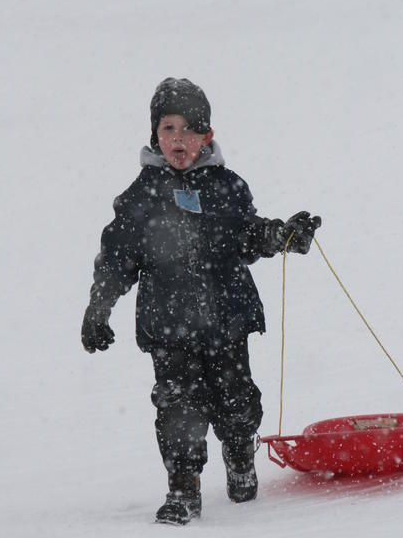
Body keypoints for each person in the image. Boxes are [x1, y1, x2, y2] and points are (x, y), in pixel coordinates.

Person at [81, 77, 321, 525]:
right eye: (168, 128)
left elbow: (247, 236)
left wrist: (281, 235)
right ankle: (183, 485)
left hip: (225, 318)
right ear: (155, 134)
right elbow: (116, 257)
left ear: (206, 136)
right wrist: (99, 306)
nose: (178, 138)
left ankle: (238, 451)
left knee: (237, 400)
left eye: (189, 129)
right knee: (177, 405)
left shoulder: (227, 187)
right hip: (167, 324)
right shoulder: (141, 197)